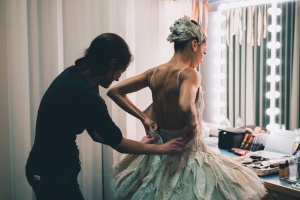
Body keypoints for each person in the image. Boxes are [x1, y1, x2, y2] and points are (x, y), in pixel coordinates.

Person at [108, 16, 267, 200]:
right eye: (204, 51)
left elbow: (115, 91)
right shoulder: (189, 74)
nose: (201, 58)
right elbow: (185, 105)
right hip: (185, 154)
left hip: (158, 155)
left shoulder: (154, 73)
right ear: (194, 44)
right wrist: (192, 125)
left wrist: (144, 118)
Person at [25, 33, 184, 200]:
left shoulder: (76, 75)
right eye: (121, 71)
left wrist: (138, 144)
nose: (118, 78)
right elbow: (118, 143)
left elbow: (97, 134)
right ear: (112, 63)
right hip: (52, 173)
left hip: (47, 168)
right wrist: (161, 148)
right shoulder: (86, 93)